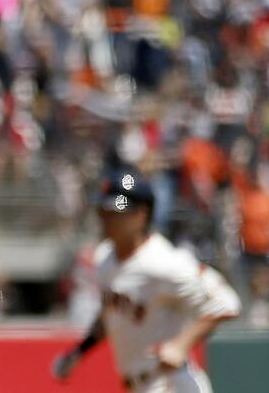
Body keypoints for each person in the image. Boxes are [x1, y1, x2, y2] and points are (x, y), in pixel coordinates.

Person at [51, 168, 240, 392]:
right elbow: (109, 317)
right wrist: (79, 353)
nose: (105, 217)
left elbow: (227, 303)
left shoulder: (164, 261)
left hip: (171, 383)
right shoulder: (105, 257)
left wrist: (181, 344)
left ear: (140, 215)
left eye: (115, 211)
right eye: (103, 210)